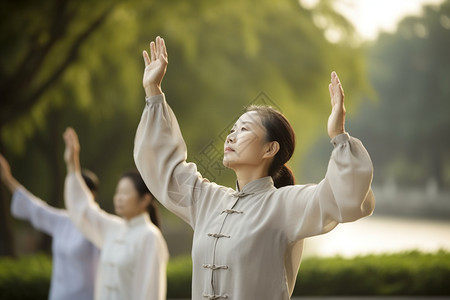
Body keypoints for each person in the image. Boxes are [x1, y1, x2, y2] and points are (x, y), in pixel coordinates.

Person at [134, 36, 375, 299]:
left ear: (269, 149)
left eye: (244, 129)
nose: (230, 136)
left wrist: (339, 135)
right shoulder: (207, 200)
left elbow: (344, 199)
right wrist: (153, 91)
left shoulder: (284, 205)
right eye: (233, 129)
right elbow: (164, 169)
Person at [63, 127, 169, 300]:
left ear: (145, 199)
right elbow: (85, 210)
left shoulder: (150, 236)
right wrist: (72, 163)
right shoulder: (113, 228)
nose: (119, 198)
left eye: (125, 193)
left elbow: (151, 292)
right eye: (117, 192)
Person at [0, 154, 99, 300]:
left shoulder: (99, 224)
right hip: (59, 295)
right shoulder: (62, 221)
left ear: (92, 194)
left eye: (79, 190)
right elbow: (35, 207)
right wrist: (7, 178)